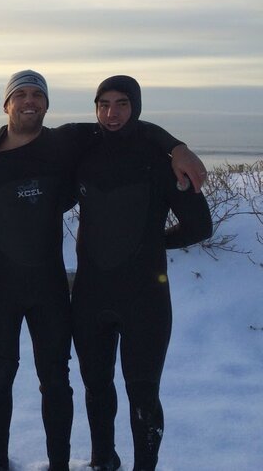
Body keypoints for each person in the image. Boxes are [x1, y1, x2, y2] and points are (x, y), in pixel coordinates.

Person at [0, 70, 208, 471]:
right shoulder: (11, 154)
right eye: (21, 94)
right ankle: (46, 462)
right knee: (43, 380)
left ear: (47, 104)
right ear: (6, 103)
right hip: (40, 290)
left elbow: (195, 220)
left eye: (37, 95)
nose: (111, 113)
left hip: (100, 292)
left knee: (104, 388)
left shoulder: (99, 150)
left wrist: (178, 147)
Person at [71, 76, 212, 471]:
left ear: (136, 107)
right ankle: (103, 460)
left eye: (122, 104)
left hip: (144, 299)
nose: (111, 113)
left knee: (143, 393)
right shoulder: (82, 153)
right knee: (96, 388)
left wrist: (153, 242)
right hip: (90, 296)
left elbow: (201, 226)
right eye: (103, 104)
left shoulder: (161, 163)